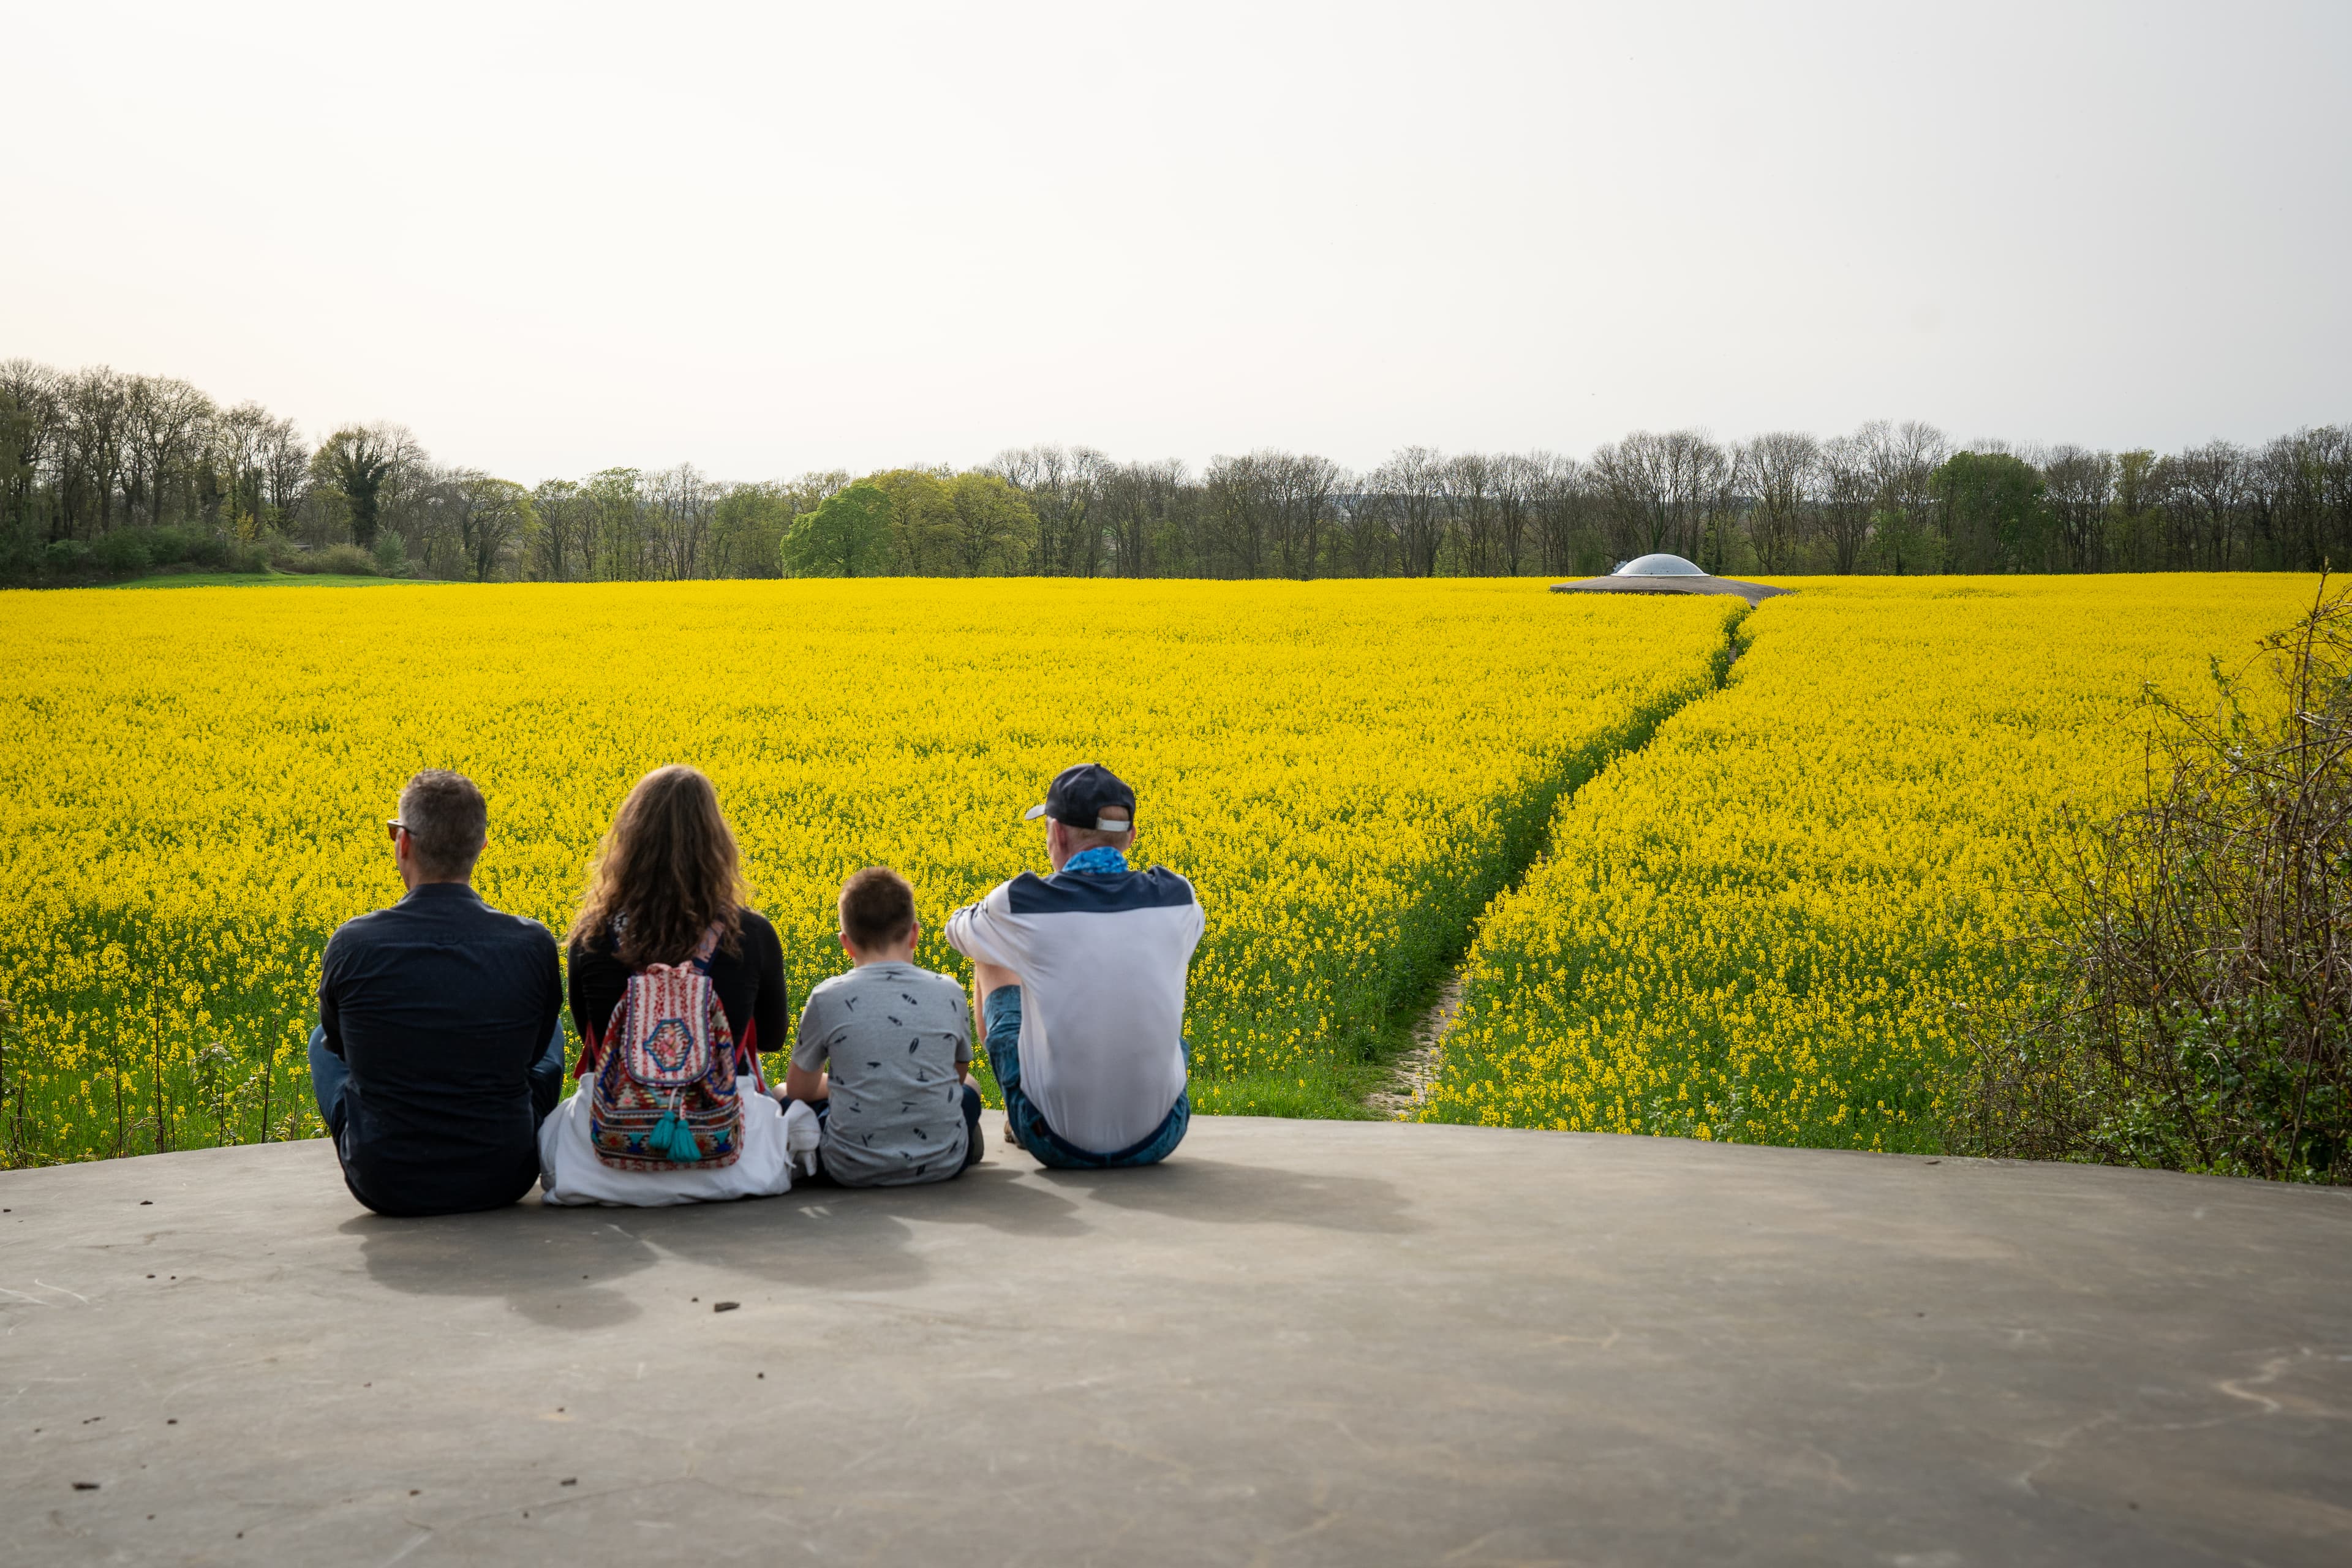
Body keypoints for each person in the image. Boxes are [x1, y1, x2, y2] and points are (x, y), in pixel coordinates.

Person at [312, 769, 565, 1218]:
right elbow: (531, 1058)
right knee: (552, 1037)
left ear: (403, 842)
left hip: (386, 1181)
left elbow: (343, 1047)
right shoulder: (532, 944)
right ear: (481, 847)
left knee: (321, 1042)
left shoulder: (353, 944)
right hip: (503, 1173)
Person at [540, 764, 793, 1205]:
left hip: (606, 1158)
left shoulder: (592, 936)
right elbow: (770, 1039)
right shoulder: (751, 933)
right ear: (717, 845)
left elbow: (596, 1045)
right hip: (730, 1160)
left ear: (629, 843)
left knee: (552, 1121)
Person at [946, 763, 1203, 1168]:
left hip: (1054, 1142)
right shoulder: (1179, 898)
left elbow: (956, 929)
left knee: (990, 953)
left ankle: (1019, 1112)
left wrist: (1019, 937)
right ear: (1131, 837)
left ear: (1058, 833)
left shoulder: (1021, 903)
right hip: (1161, 1136)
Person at [783, 867, 983, 1186]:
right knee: (970, 1085)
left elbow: (800, 1090)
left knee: (782, 1094)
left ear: (846, 944)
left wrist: (852, 1084)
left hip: (848, 1168)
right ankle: (960, 1138)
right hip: (943, 1162)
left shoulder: (827, 997)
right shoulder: (949, 990)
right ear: (915, 934)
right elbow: (954, 1076)